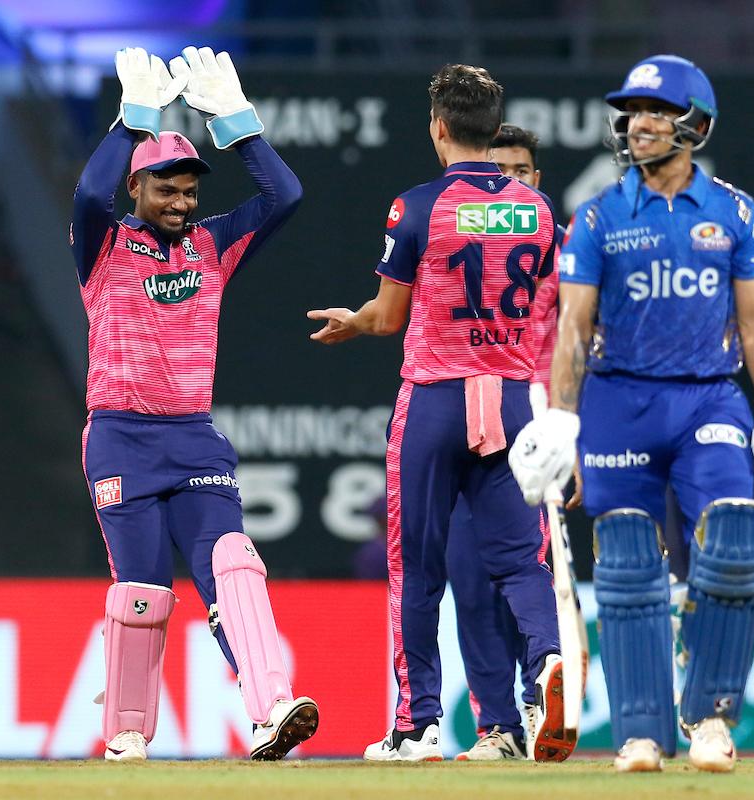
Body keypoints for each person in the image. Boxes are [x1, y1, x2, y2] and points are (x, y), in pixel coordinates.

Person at [509, 54, 754, 773]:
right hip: (618, 400)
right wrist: (561, 418)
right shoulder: (600, 215)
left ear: (696, 125)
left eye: (657, 112)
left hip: (710, 394)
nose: (637, 124)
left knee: (736, 543)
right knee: (628, 567)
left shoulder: (735, 212)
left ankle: (709, 718)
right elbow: (574, 327)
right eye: (632, 112)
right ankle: (642, 734)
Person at [308, 65, 566, 763]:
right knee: (519, 559)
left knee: (416, 569)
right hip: (512, 399)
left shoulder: (416, 206)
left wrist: (355, 321)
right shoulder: (537, 212)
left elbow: (389, 317)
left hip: (437, 397)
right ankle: (546, 663)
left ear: (440, 129)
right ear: (492, 127)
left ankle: (416, 725)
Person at [71, 45, 316, 762]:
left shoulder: (214, 245)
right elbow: (88, 195)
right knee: (141, 594)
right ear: (137, 189)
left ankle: (271, 708)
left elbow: (285, 198)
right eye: (164, 189)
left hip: (194, 440)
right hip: (119, 439)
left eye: (188, 191)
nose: (180, 202)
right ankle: (125, 734)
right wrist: (131, 122)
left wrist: (238, 125)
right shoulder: (103, 246)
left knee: (233, 562)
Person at [444, 123, 570, 761]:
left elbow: (586, 352)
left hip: (534, 425)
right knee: (468, 580)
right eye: (499, 171)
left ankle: (537, 698)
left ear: (538, 180)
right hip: (459, 419)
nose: (511, 183)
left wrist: (574, 436)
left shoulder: (565, 251)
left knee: (521, 568)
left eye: (522, 171)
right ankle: (499, 728)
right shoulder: (450, 238)